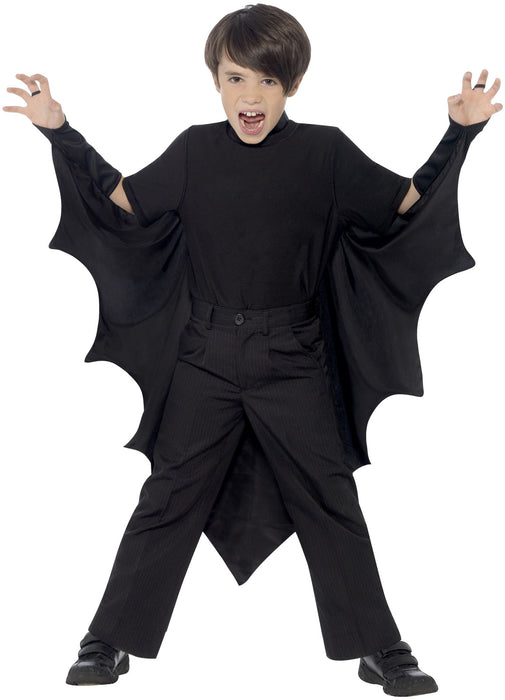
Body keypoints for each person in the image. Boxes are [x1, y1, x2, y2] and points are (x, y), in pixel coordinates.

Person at [3, 3, 501, 696]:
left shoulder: (325, 153)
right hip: (204, 355)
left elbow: (405, 205)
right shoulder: (193, 151)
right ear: (216, 80)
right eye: (236, 78)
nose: (251, 96)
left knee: (330, 496)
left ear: (291, 85)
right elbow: (124, 202)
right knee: (168, 495)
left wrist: (460, 133)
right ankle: (107, 641)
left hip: (294, 357)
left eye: (267, 80)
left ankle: (379, 647)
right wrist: (60, 132)